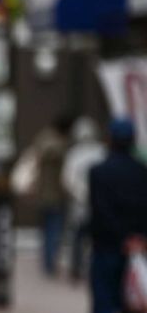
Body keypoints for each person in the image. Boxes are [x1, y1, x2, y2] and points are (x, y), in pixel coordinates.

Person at [84, 118, 147, 313]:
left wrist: (120, 237)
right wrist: (136, 238)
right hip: (137, 248)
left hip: (107, 247)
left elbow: (100, 211)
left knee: (103, 307)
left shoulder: (99, 172)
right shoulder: (143, 172)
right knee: (133, 307)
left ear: (109, 139)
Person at [62, 116, 105, 282]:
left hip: (85, 202)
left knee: (82, 238)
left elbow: (68, 179)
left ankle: (79, 268)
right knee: (83, 238)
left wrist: (81, 194)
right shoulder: (98, 152)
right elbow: (69, 179)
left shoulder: (78, 153)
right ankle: (80, 268)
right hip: (89, 202)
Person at [30, 116, 72, 278]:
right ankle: (50, 263)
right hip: (55, 195)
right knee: (54, 230)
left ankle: (47, 261)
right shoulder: (61, 146)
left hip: (43, 194)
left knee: (46, 230)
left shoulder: (41, 140)